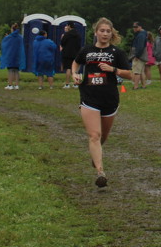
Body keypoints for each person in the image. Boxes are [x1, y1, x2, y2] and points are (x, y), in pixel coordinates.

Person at [72, 17, 133, 188]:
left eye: (108, 31)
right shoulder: (87, 50)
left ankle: (96, 156)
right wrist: (75, 74)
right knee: (94, 135)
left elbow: (130, 74)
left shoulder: (116, 52)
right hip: (89, 97)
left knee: (103, 137)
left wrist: (113, 69)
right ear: (96, 32)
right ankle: (100, 172)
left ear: (111, 33)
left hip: (109, 99)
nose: (105, 34)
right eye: (102, 31)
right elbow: (76, 63)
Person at [0, 23, 25, 90]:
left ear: (12, 29)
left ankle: (10, 85)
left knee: (10, 71)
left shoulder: (9, 37)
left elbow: (4, 44)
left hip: (10, 55)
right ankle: (17, 85)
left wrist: (6, 37)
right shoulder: (20, 37)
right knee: (16, 71)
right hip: (18, 55)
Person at [59, 23, 82, 89]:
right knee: (76, 69)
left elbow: (62, 43)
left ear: (69, 26)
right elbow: (79, 44)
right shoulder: (78, 35)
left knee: (68, 68)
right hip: (76, 53)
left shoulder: (67, 34)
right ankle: (76, 84)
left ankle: (67, 84)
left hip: (67, 54)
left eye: (67, 26)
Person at [129, 22, 149, 90]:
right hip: (141, 56)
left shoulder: (141, 35)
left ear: (140, 27)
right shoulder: (142, 34)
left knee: (136, 72)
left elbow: (140, 47)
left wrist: (137, 56)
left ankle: (135, 86)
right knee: (141, 71)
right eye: (133, 27)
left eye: (136, 27)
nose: (134, 28)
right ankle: (143, 86)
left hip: (139, 56)